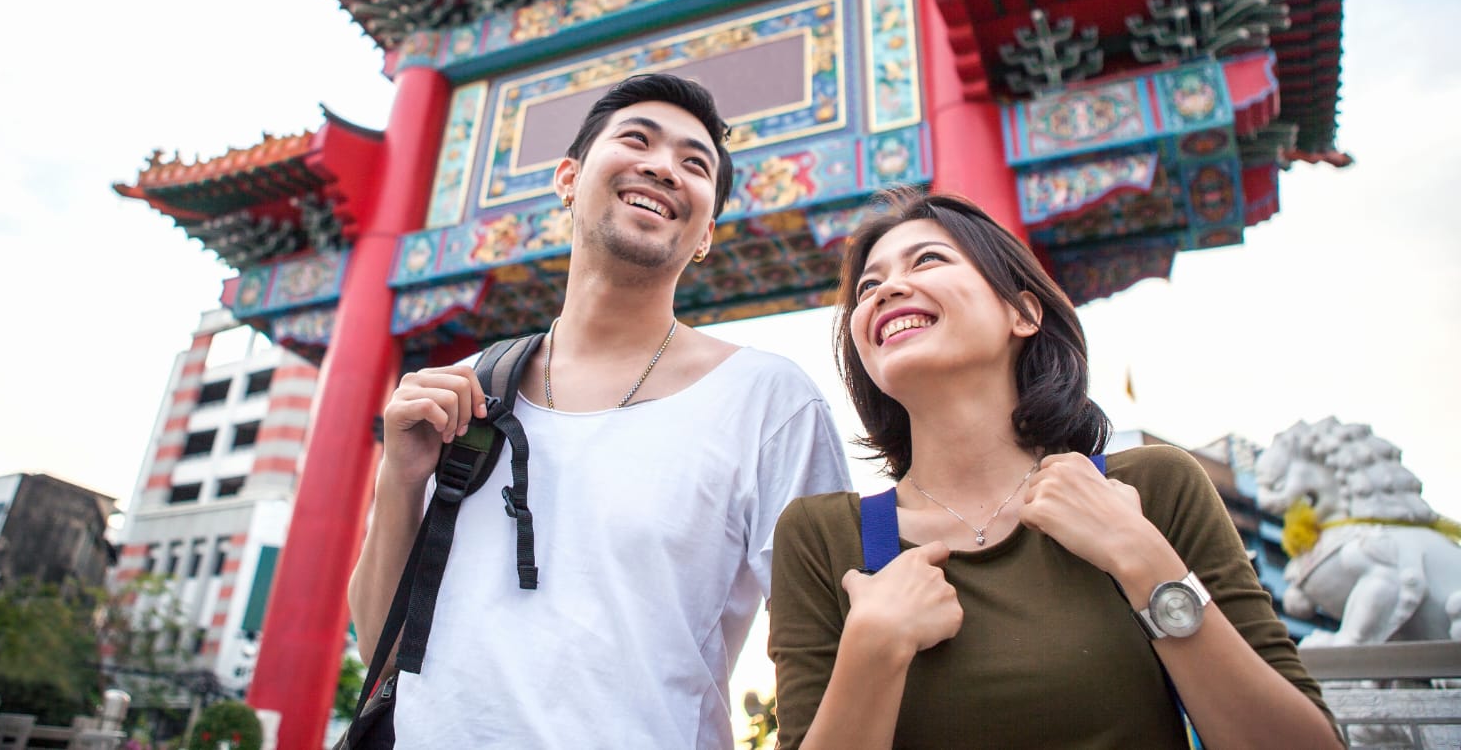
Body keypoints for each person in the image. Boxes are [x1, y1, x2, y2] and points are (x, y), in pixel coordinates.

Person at [349, 72, 850, 748]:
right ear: (567, 178)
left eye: (694, 164)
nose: (663, 168)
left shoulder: (768, 400)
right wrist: (401, 478)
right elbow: (381, 648)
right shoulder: (467, 391)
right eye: (637, 140)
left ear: (706, 233)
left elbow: (833, 645)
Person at [769, 189, 1343, 749]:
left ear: (1022, 313)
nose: (886, 290)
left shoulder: (1154, 487)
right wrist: (873, 650)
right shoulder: (821, 536)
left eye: (928, 260)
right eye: (868, 287)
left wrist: (1143, 560)